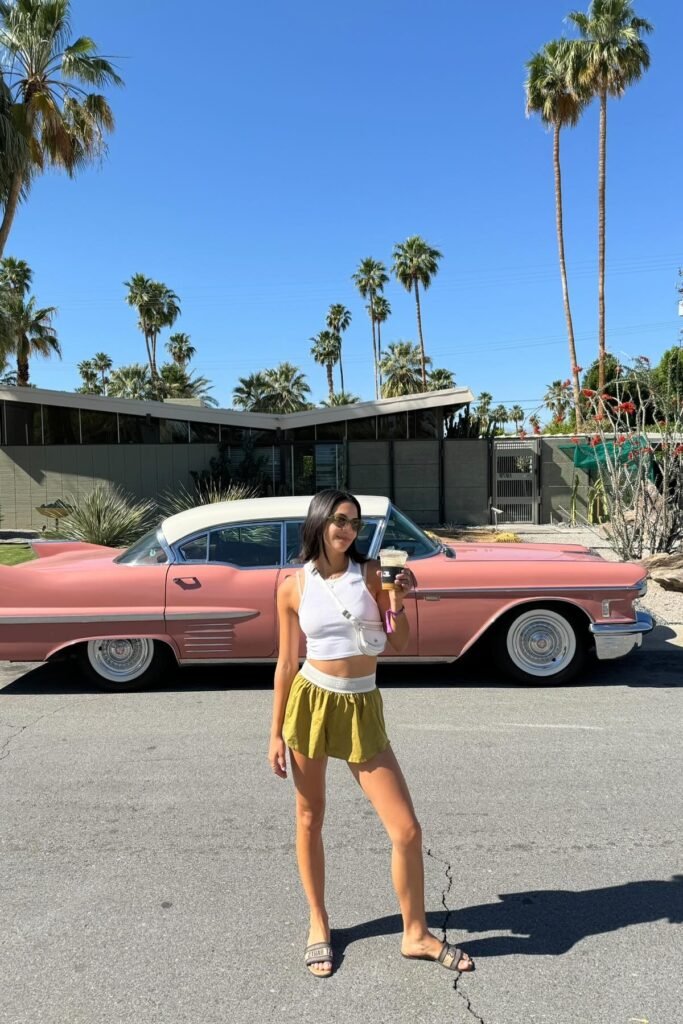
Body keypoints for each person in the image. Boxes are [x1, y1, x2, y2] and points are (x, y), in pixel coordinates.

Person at [268, 489, 474, 979]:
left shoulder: (373, 573)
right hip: (311, 703)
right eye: (339, 520)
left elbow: (398, 640)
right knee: (309, 817)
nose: (347, 529)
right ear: (319, 522)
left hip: (363, 703)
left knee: (406, 828)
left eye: (355, 523)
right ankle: (318, 922)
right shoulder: (292, 587)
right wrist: (274, 732)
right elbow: (285, 663)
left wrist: (399, 597)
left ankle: (416, 933)